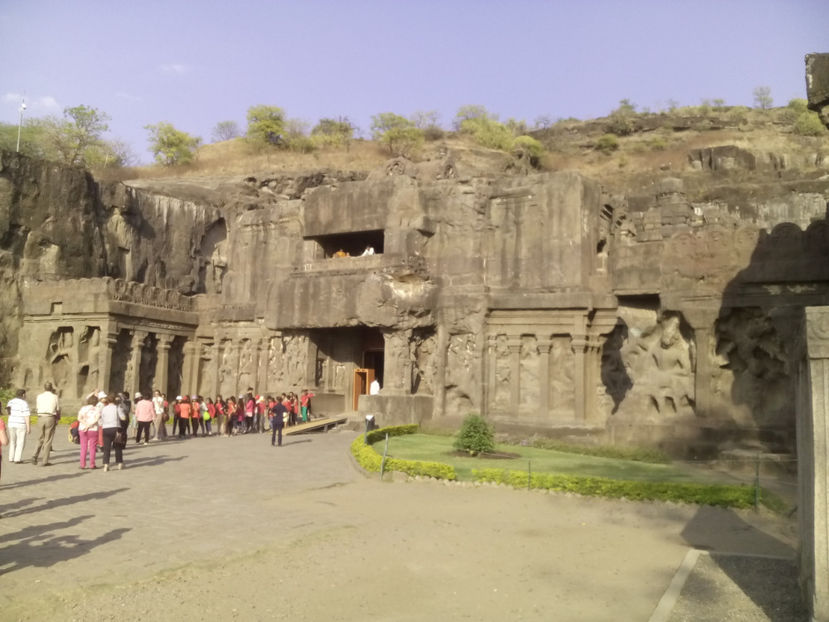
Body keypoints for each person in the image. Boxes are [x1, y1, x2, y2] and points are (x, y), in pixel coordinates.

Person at [31, 381, 60, 466]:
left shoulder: (39, 396)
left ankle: (35, 455)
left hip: (40, 417)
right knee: (48, 439)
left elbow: (37, 407)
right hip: (50, 417)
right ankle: (45, 461)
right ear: (51, 388)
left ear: (44, 388)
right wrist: (57, 419)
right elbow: (57, 409)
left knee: (40, 438)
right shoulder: (55, 396)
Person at [100, 393, 126, 471]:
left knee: (106, 448)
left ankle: (106, 464)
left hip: (106, 428)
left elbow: (101, 419)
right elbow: (123, 418)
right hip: (116, 428)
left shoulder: (104, 408)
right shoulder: (117, 408)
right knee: (118, 446)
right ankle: (119, 463)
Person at [6, 389, 30, 464]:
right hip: (20, 424)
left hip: (11, 423)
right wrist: (28, 427)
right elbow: (26, 416)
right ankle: (17, 459)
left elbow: (8, 412)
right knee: (20, 441)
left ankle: (11, 457)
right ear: (23, 395)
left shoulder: (10, 401)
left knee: (12, 441)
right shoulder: (24, 403)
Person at [77, 394, 100, 470]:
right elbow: (96, 419)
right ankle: (92, 464)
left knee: (83, 447)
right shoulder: (97, 409)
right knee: (92, 448)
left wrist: (85, 424)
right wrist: (90, 425)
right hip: (93, 429)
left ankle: (82, 464)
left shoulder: (83, 408)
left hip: (82, 428)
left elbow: (79, 418)